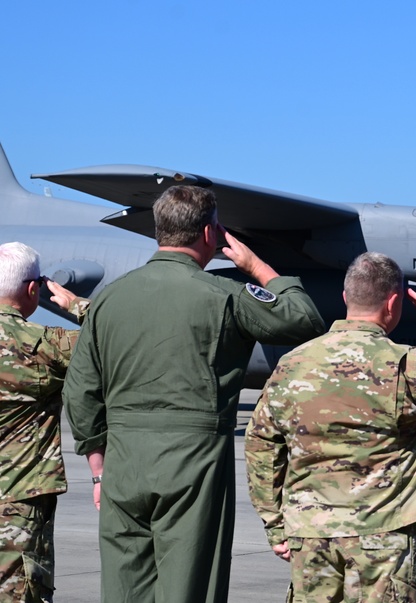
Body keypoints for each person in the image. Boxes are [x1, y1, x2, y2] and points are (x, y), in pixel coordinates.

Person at [62, 185, 326, 603]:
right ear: (210, 234)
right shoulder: (224, 296)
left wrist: (99, 470)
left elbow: (81, 394)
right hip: (194, 462)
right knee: (190, 588)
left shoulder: (107, 300)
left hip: (123, 465)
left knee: (124, 587)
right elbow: (303, 320)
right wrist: (256, 265)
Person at [245, 251, 416, 603]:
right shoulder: (409, 364)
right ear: (394, 303)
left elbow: (261, 444)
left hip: (310, 534)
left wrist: (275, 525)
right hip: (384, 536)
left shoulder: (291, 364)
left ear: (346, 298)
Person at [0, 242, 88, 602]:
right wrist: (76, 304)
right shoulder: (44, 346)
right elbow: (125, 337)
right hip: (18, 506)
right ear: (34, 288)